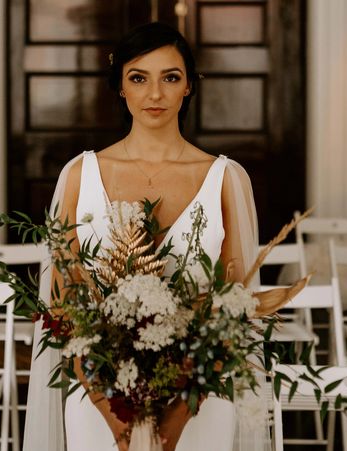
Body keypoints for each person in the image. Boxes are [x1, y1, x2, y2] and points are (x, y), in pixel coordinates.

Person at [23, 22, 267, 451]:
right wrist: (111, 414)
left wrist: (176, 420)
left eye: (170, 78)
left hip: (200, 402)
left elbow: (235, 312)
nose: (155, 94)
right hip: (99, 400)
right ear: (120, 87)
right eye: (139, 78)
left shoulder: (226, 179)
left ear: (189, 86)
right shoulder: (81, 175)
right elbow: (63, 307)